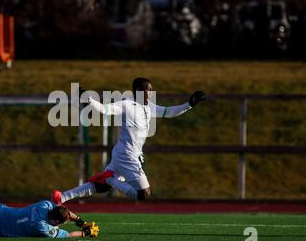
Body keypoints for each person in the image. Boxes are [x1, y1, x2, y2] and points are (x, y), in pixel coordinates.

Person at [52, 77, 206, 204]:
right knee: (143, 194)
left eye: (151, 90)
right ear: (138, 91)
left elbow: (169, 112)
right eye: (148, 90)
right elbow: (106, 109)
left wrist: (190, 104)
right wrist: (90, 100)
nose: (150, 93)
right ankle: (110, 179)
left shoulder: (149, 107)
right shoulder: (126, 104)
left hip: (127, 153)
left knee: (101, 187)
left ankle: (63, 197)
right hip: (127, 155)